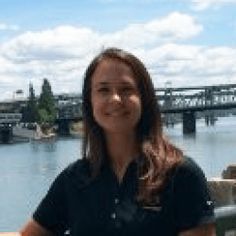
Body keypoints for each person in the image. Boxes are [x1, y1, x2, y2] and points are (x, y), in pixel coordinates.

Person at [20, 48, 216, 236]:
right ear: (90, 101)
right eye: (103, 90)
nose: (115, 98)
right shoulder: (74, 179)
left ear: (144, 99)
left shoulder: (180, 175)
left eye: (126, 89)